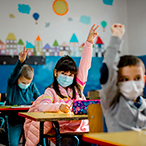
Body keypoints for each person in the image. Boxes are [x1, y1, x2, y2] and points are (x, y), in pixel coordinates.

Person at [24, 24, 99, 146]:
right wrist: (59, 107)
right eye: (63, 73)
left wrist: (89, 43)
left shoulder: (77, 87)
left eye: (71, 74)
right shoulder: (51, 91)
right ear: (56, 72)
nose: (67, 77)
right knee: (69, 142)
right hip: (65, 132)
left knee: (91, 140)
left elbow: (85, 66)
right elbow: (43, 106)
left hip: (82, 129)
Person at [100, 23, 146, 132]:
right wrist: (117, 36)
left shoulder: (143, 105)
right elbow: (109, 68)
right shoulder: (112, 102)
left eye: (137, 78)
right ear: (115, 81)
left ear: (144, 80)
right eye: (125, 79)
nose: (132, 83)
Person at [6, 47, 40, 146]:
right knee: (13, 144)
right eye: (23, 82)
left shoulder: (32, 86)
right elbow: (14, 74)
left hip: (29, 119)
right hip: (14, 120)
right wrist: (20, 62)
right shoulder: (12, 84)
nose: (26, 85)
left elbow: (39, 98)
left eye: (28, 82)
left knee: (34, 142)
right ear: (18, 78)